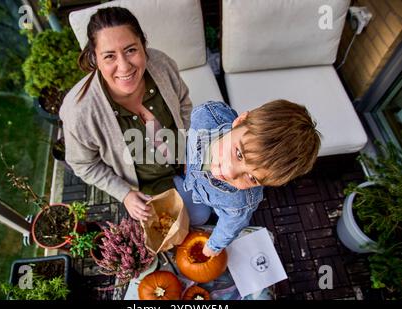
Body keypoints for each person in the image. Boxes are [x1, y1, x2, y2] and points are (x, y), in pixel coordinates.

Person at [59, 7, 210, 222]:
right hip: (147, 184)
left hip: (186, 160)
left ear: (143, 44)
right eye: (109, 56)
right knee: (197, 219)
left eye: (131, 50)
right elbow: (83, 164)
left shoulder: (161, 64)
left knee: (228, 196)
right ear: (95, 58)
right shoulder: (79, 111)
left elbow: (184, 104)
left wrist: (188, 150)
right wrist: (125, 194)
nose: (124, 66)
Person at [183, 100, 321, 257]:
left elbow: (230, 226)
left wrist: (213, 246)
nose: (231, 173)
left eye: (252, 177)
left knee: (206, 217)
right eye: (239, 154)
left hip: (220, 205)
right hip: (190, 175)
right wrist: (190, 160)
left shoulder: (241, 203)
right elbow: (189, 135)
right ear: (240, 121)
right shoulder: (206, 114)